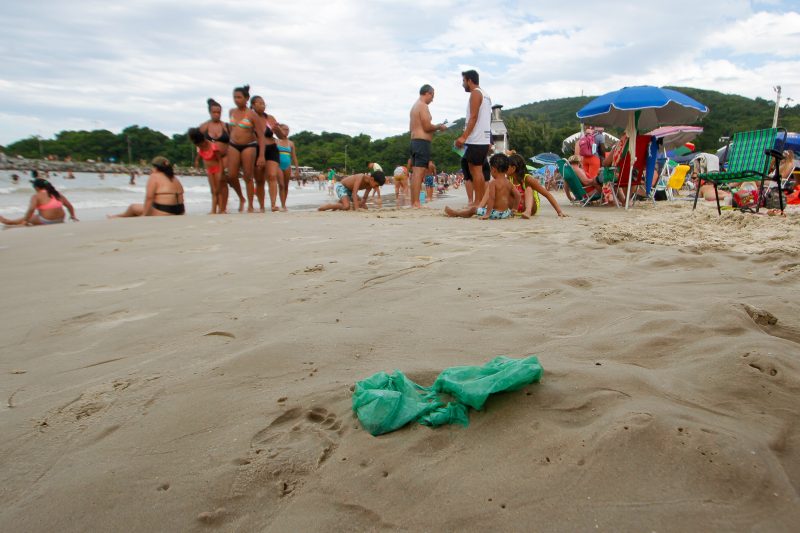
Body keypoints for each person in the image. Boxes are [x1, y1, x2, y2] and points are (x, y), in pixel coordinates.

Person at [455, 70, 492, 207]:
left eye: (463, 81)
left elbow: (474, 117)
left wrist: (464, 137)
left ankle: (477, 202)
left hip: (475, 140)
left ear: (469, 80)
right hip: (483, 139)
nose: (462, 84)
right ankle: (480, 202)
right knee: (477, 171)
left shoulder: (476, 93)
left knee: (475, 171)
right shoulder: (486, 95)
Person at [444, 153, 519, 219]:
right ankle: (458, 212)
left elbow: (492, 198)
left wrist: (487, 214)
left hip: (496, 213)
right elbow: (518, 195)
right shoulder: (509, 183)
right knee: (478, 209)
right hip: (506, 213)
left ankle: (456, 213)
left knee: (473, 210)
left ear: (493, 169)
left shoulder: (493, 183)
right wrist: (514, 209)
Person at [409, 84, 448, 208]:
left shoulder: (415, 106)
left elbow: (413, 127)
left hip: (414, 141)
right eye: (432, 96)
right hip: (421, 142)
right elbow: (426, 127)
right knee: (419, 173)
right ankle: (416, 202)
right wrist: (439, 126)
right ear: (428, 93)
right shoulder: (423, 106)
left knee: (416, 173)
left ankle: (414, 202)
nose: (433, 99)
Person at [227, 85, 263, 212]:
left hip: (249, 145)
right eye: (234, 97)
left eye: (239, 97)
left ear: (246, 98)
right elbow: (231, 129)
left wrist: (261, 155)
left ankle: (250, 205)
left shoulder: (252, 115)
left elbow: (261, 136)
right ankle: (241, 198)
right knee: (231, 175)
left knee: (248, 176)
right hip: (233, 144)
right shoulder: (231, 112)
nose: (236, 100)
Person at [109, 157, 185, 217]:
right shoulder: (174, 178)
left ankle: (118, 217)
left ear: (156, 167)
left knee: (133, 207)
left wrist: (145, 214)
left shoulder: (154, 176)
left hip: (166, 211)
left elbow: (149, 197)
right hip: (180, 211)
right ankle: (119, 216)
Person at [250, 95, 286, 212]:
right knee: (259, 179)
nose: (263, 105)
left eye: (264, 103)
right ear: (253, 105)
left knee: (272, 176)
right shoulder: (249, 118)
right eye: (260, 103)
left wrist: (277, 129)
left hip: (272, 148)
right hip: (256, 149)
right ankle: (261, 206)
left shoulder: (270, 118)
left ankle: (273, 204)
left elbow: (282, 137)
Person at [507, 154, 566, 218]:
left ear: (513, 168)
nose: (504, 168)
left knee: (528, 189)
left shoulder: (528, 179)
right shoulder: (508, 179)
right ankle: (508, 211)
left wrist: (559, 212)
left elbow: (547, 194)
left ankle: (528, 211)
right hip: (515, 209)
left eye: (506, 166)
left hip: (531, 207)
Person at [1, 178, 77, 226]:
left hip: (47, 221)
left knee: (27, 218)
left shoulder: (36, 196)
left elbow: (31, 209)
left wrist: (26, 220)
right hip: (60, 220)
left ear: (37, 188)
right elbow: (69, 205)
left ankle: (8, 222)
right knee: (35, 216)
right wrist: (73, 216)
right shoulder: (56, 193)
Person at [188, 127, 225, 214]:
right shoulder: (200, 147)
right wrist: (197, 161)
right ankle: (214, 210)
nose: (200, 147)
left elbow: (220, 160)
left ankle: (221, 210)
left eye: (201, 145)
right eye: (198, 145)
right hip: (209, 171)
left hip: (217, 169)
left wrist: (221, 173)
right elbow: (199, 156)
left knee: (218, 190)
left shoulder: (213, 147)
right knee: (213, 191)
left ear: (204, 140)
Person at [318, 171, 386, 211]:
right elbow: (354, 194)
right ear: (372, 179)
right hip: (342, 187)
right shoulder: (360, 177)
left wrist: (362, 204)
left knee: (365, 207)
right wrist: (356, 209)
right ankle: (327, 206)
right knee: (346, 206)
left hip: (350, 191)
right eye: (376, 185)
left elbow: (364, 198)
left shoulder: (370, 185)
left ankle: (341, 202)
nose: (376, 187)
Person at [276, 124, 298, 211]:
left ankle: (283, 204)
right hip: (278, 165)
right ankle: (282, 204)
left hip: (287, 166)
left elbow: (294, 157)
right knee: (281, 185)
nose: (286, 131)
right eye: (284, 129)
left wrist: (297, 169)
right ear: (280, 130)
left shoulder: (291, 143)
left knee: (286, 186)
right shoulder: (276, 142)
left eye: (287, 130)